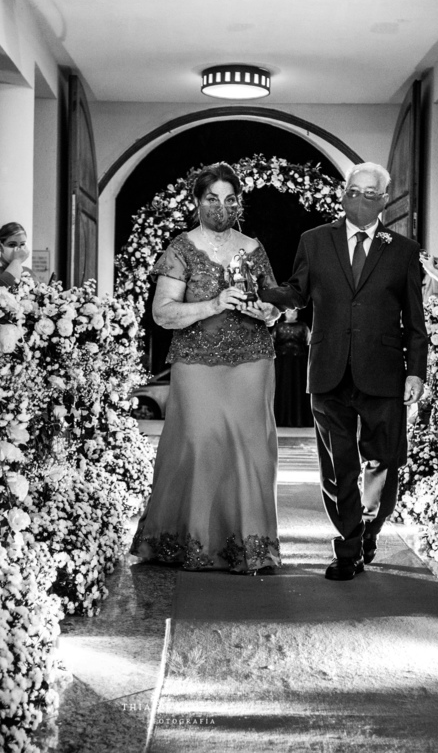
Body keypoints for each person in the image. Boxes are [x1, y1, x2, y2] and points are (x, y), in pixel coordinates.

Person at [260, 162, 428, 582]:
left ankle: (371, 527)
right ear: (343, 191)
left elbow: (415, 319)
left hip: (385, 370)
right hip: (329, 369)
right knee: (338, 467)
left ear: (384, 200)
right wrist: (261, 290)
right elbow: (296, 292)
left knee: (384, 462)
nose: (360, 199)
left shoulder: (403, 251)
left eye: (371, 194)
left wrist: (416, 372)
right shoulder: (314, 241)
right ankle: (348, 546)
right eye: (354, 190)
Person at [129, 162, 283, 575]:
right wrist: (213, 305)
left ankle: (250, 547)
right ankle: (192, 543)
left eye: (230, 199)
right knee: (197, 444)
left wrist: (267, 311)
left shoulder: (253, 248)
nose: (221, 206)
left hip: (252, 361)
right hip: (196, 363)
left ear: (239, 203)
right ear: (197, 202)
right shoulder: (180, 249)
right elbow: (162, 314)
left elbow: (274, 305)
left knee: (251, 449)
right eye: (212, 199)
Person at [272, 307, 313, 427]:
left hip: (298, 366)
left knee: (298, 389)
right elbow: (273, 343)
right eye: (289, 311)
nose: (291, 314)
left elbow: (308, 342)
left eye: (294, 312)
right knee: (283, 389)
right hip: (282, 366)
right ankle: (281, 419)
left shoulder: (303, 327)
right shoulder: (278, 328)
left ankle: (300, 419)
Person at [0, 222, 37, 288]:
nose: (19, 250)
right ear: (0, 246)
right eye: (12, 245)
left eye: (22, 244)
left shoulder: (28, 272)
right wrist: (17, 260)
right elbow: (2, 293)